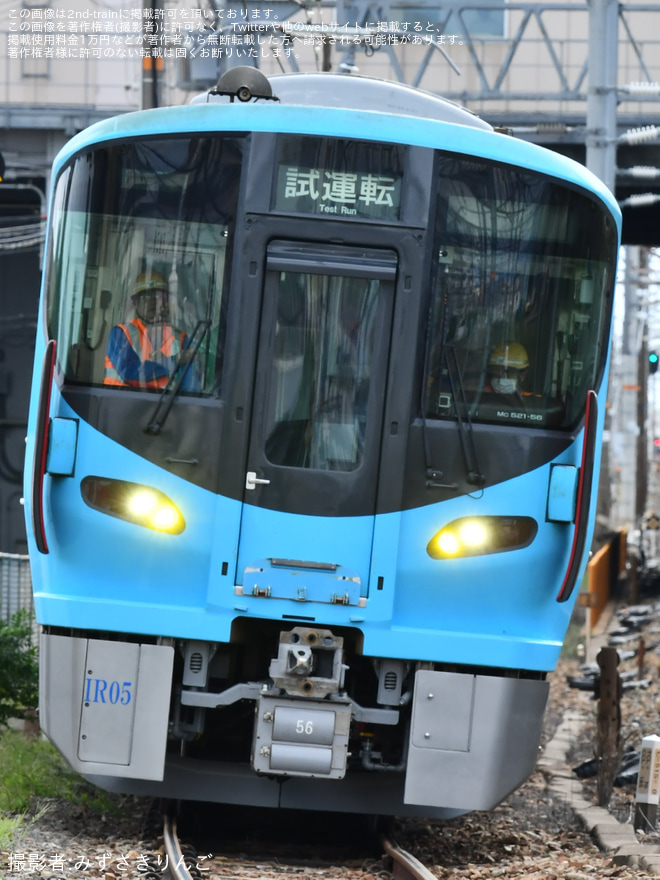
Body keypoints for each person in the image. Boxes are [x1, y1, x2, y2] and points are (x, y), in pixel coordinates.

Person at [104, 269, 200, 391]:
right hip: (122, 405)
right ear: (135, 302)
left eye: (158, 297)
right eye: (146, 296)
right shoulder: (120, 334)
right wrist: (174, 360)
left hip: (166, 408)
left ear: (166, 302)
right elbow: (130, 372)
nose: (152, 302)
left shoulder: (181, 339)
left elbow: (190, 389)